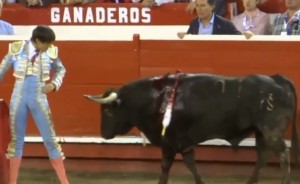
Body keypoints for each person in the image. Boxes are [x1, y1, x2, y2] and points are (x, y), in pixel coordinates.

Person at [0, 26, 69, 184]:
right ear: (38, 41)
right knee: (16, 141)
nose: (50, 46)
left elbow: (60, 70)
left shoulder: (51, 52)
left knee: (50, 141)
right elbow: (1, 71)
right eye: (47, 43)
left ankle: (65, 182)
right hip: (18, 97)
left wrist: (54, 84)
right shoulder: (16, 49)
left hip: (39, 97)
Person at [177, 0, 241, 39]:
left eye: (203, 6)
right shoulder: (194, 23)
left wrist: (247, 35)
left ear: (212, 7)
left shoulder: (225, 24)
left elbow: (240, 39)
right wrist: (185, 37)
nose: (199, 9)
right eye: (197, 5)